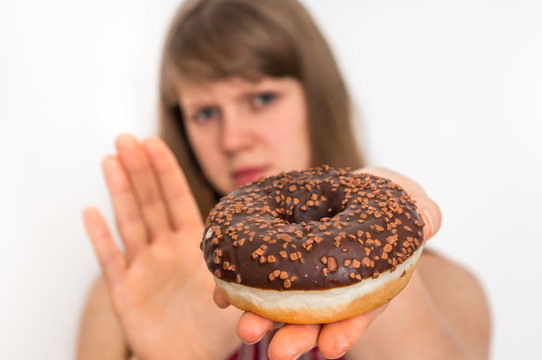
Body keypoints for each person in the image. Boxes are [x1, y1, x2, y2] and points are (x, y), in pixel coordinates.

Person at [77, 0, 491, 359]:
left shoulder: (447, 287)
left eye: (262, 98)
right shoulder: (133, 290)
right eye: (205, 113)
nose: (233, 138)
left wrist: (373, 249)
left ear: (316, 98)